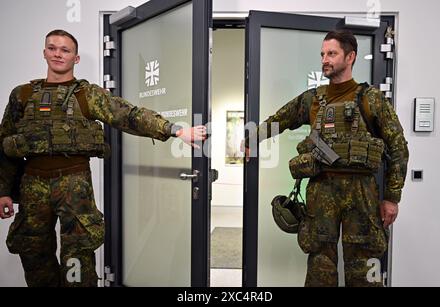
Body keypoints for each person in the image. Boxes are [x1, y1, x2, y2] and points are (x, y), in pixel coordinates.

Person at [0, 29, 206, 287]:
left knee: (78, 255)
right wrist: (3, 191)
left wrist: (175, 130)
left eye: (65, 50)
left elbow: (129, 115)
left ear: (75, 58)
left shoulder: (88, 94)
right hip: (32, 183)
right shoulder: (23, 95)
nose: (58, 54)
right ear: (44, 53)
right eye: (52, 48)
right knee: (33, 252)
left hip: (74, 184)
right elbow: (5, 143)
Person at [243, 30, 409, 287]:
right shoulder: (313, 99)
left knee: (364, 264)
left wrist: (392, 197)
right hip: (322, 189)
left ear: (350, 56)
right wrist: (253, 137)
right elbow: (281, 119)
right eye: (322, 54)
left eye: (332, 53)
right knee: (320, 263)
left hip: (362, 193)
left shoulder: (372, 99)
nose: (325, 59)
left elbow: (398, 149)